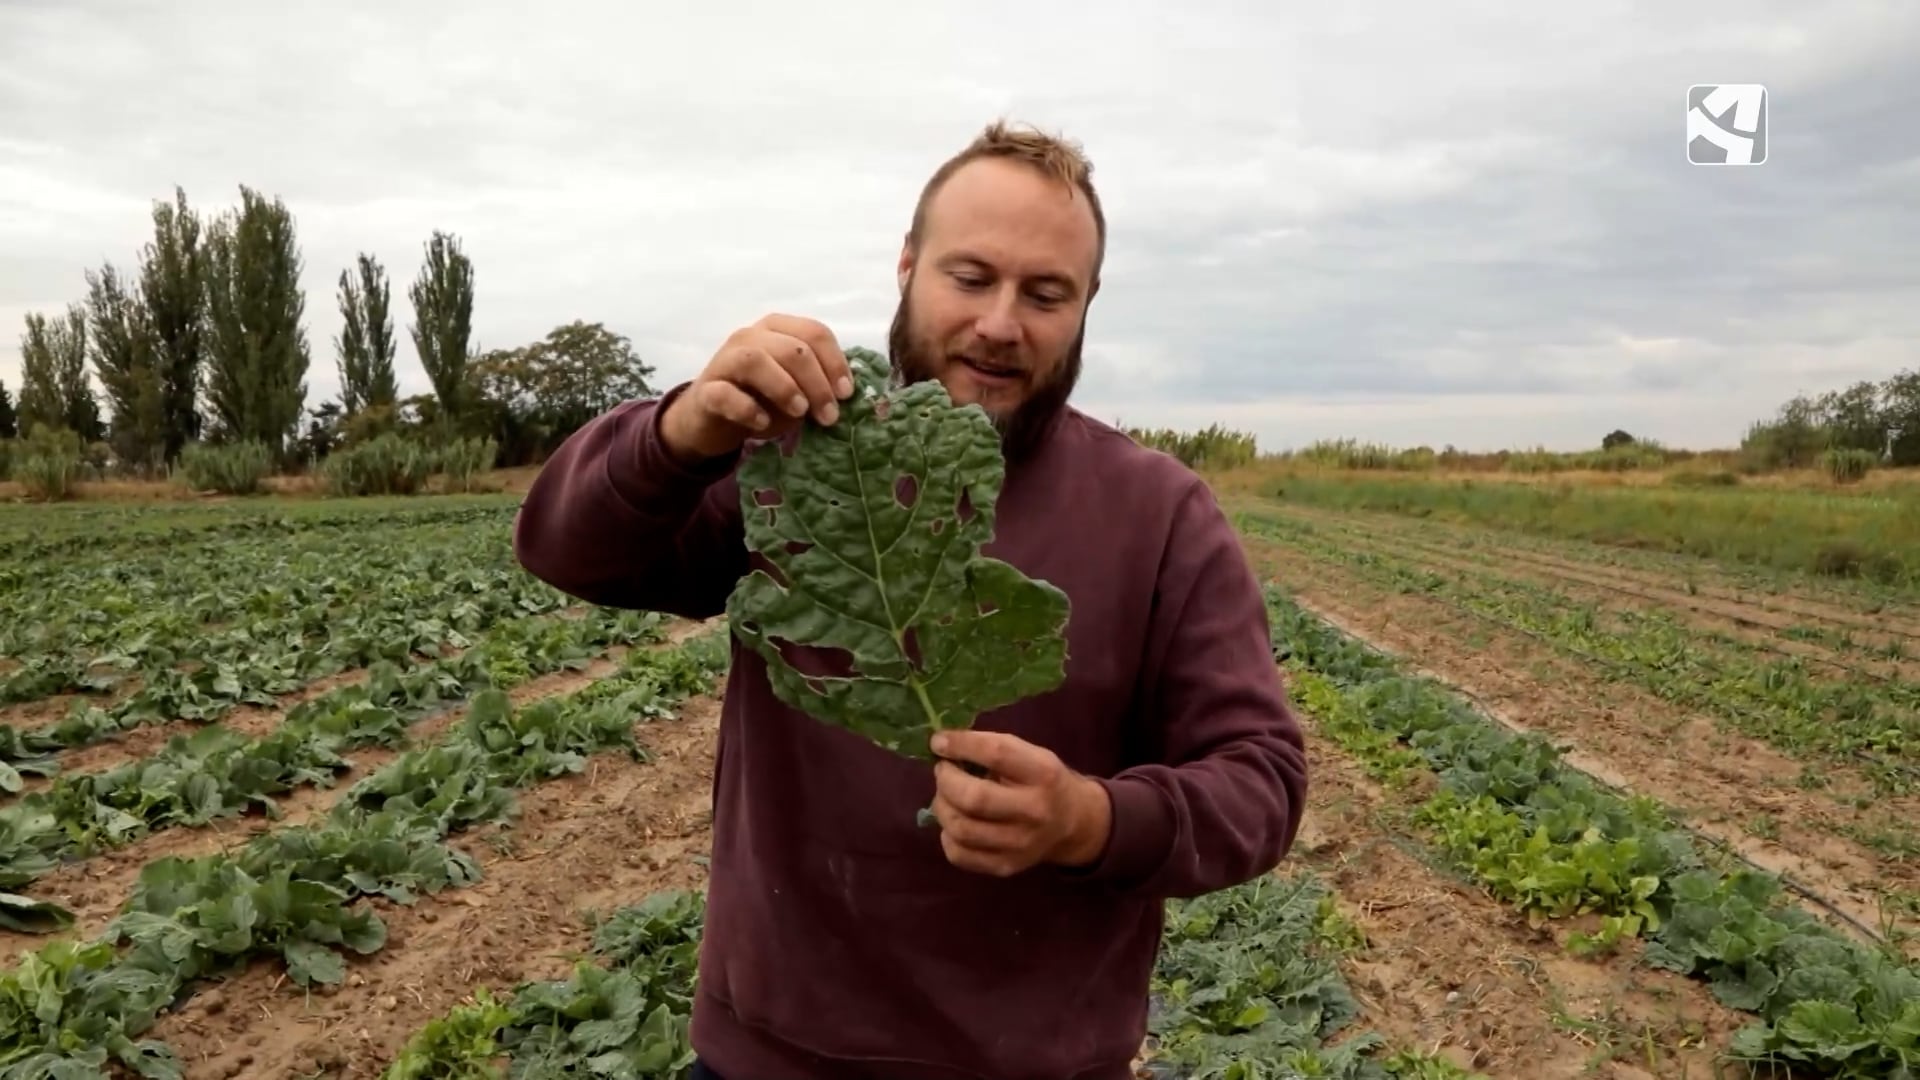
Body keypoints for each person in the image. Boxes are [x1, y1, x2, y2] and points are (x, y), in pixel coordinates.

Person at [511, 119, 1310, 1080]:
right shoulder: (803, 464)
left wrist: (1088, 821)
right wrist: (678, 433)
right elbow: (568, 551)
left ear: (1087, 305)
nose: (1002, 323)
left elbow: (1261, 781)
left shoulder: (1159, 512)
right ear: (907, 267)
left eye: (1046, 293)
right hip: (769, 1062)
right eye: (970, 278)